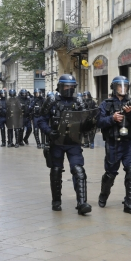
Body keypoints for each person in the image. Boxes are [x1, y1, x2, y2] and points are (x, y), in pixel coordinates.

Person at [38, 74, 97, 214]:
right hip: (57, 141)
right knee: (56, 171)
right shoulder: (51, 100)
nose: (69, 89)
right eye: (66, 86)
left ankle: (82, 203)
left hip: (73, 141)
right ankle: (56, 201)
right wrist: (48, 131)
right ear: (60, 87)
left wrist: (90, 122)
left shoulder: (79, 101)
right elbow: (41, 119)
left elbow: (86, 120)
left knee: (79, 170)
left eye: (71, 86)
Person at [96, 77, 131, 215]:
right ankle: (103, 195)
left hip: (128, 144)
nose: (123, 89)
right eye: (120, 86)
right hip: (113, 144)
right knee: (110, 173)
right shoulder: (106, 104)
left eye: (125, 86)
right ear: (114, 87)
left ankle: (129, 203)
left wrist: (130, 113)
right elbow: (98, 122)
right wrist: (112, 118)